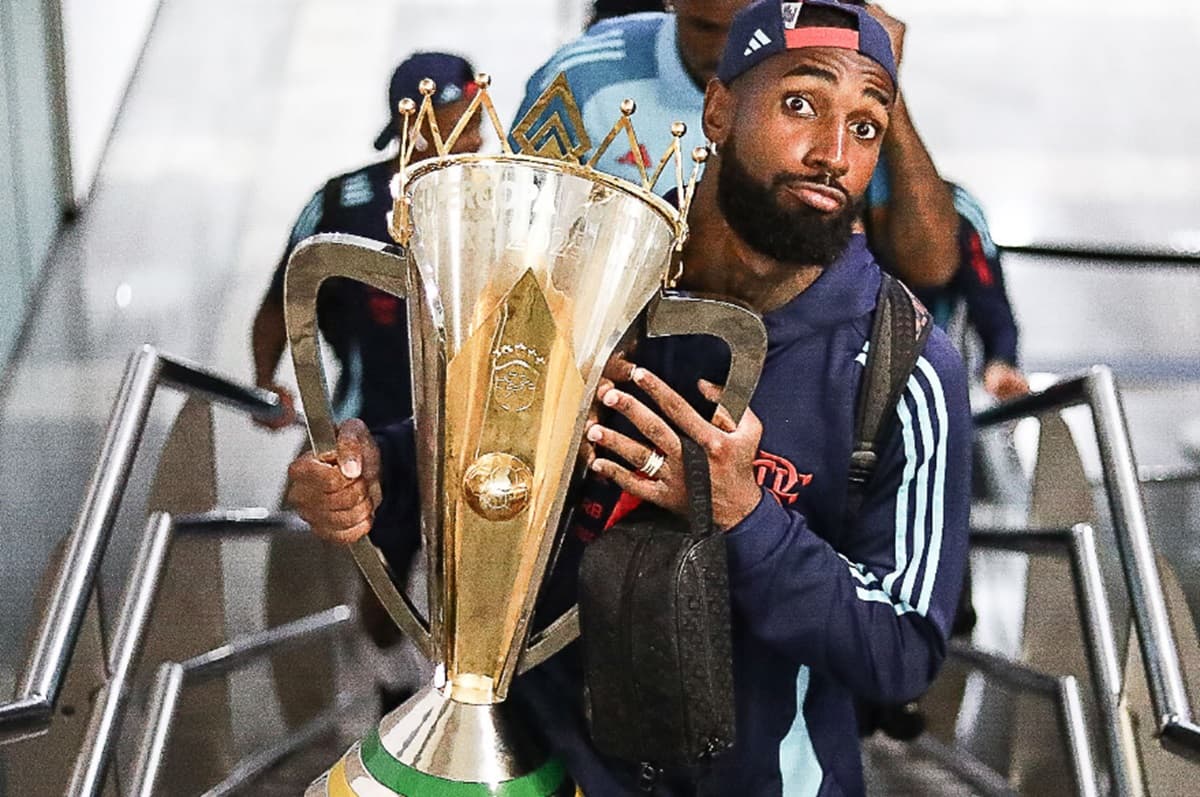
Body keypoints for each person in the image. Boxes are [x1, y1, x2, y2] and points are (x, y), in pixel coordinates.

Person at [287, 2, 971, 793]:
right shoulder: (601, 268)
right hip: (536, 757)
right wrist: (380, 471)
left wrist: (747, 517)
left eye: (865, 127)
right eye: (799, 104)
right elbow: (503, 430)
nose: (832, 154)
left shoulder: (904, 363)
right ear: (718, 108)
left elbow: (902, 647)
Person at [515, 0, 957, 292]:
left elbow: (931, 264)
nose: (735, 51)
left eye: (752, 29)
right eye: (708, 28)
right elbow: (510, 248)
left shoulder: (831, 94)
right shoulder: (584, 77)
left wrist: (877, 77)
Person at [250, 52, 483, 432]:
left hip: (461, 439)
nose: (477, 140)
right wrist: (264, 382)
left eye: (478, 123)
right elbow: (280, 303)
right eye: (462, 127)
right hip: (360, 430)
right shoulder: (342, 203)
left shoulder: (488, 204)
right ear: (415, 130)